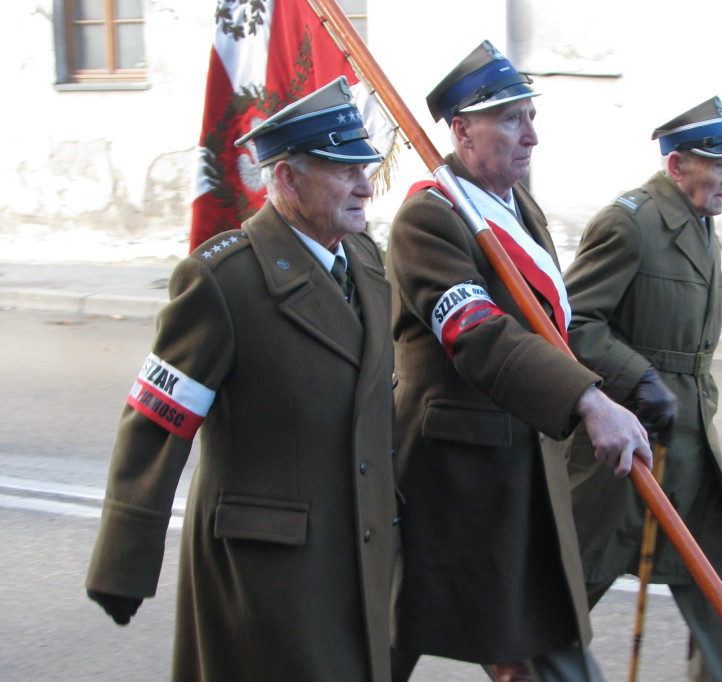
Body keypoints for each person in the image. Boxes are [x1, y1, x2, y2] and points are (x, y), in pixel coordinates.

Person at [85, 77, 398, 681]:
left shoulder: (363, 259)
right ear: (285, 180)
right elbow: (156, 421)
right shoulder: (224, 282)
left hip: (357, 549)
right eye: (344, 169)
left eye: (366, 165)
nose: (366, 184)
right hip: (268, 569)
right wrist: (124, 560)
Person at [385, 41, 652, 682]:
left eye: (530, 116)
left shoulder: (516, 204)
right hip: (451, 479)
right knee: (384, 641)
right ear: (461, 130)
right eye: (511, 119)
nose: (531, 135)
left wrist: (628, 384)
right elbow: (480, 334)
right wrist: (587, 401)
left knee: (530, 646)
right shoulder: (430, 217)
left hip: (521, 461)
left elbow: (551, 328)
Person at [561, 97, 722, 682]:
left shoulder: (703, 224)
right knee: (558, 600)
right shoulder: (629, 222)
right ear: (677, 164)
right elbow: (574, 321)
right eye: (718, 163)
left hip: (692, 445)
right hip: (626, 446)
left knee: (721, 598)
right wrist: (640, 377)